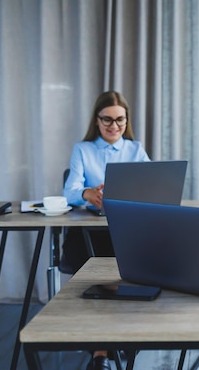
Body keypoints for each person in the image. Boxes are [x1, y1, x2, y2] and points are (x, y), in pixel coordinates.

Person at [62, 90, 149, 370]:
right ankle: (101, 351)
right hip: (92, 231)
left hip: (127, 228)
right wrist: (89, 193)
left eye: (120, 120)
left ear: (127, 120)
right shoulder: (83, 149)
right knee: (101, 280)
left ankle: (113, 343)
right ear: (97, 120)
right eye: (107, 120)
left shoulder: (135, 149)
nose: (114, 126)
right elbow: (70, 190)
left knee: (127, 273)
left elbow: (153, 186)